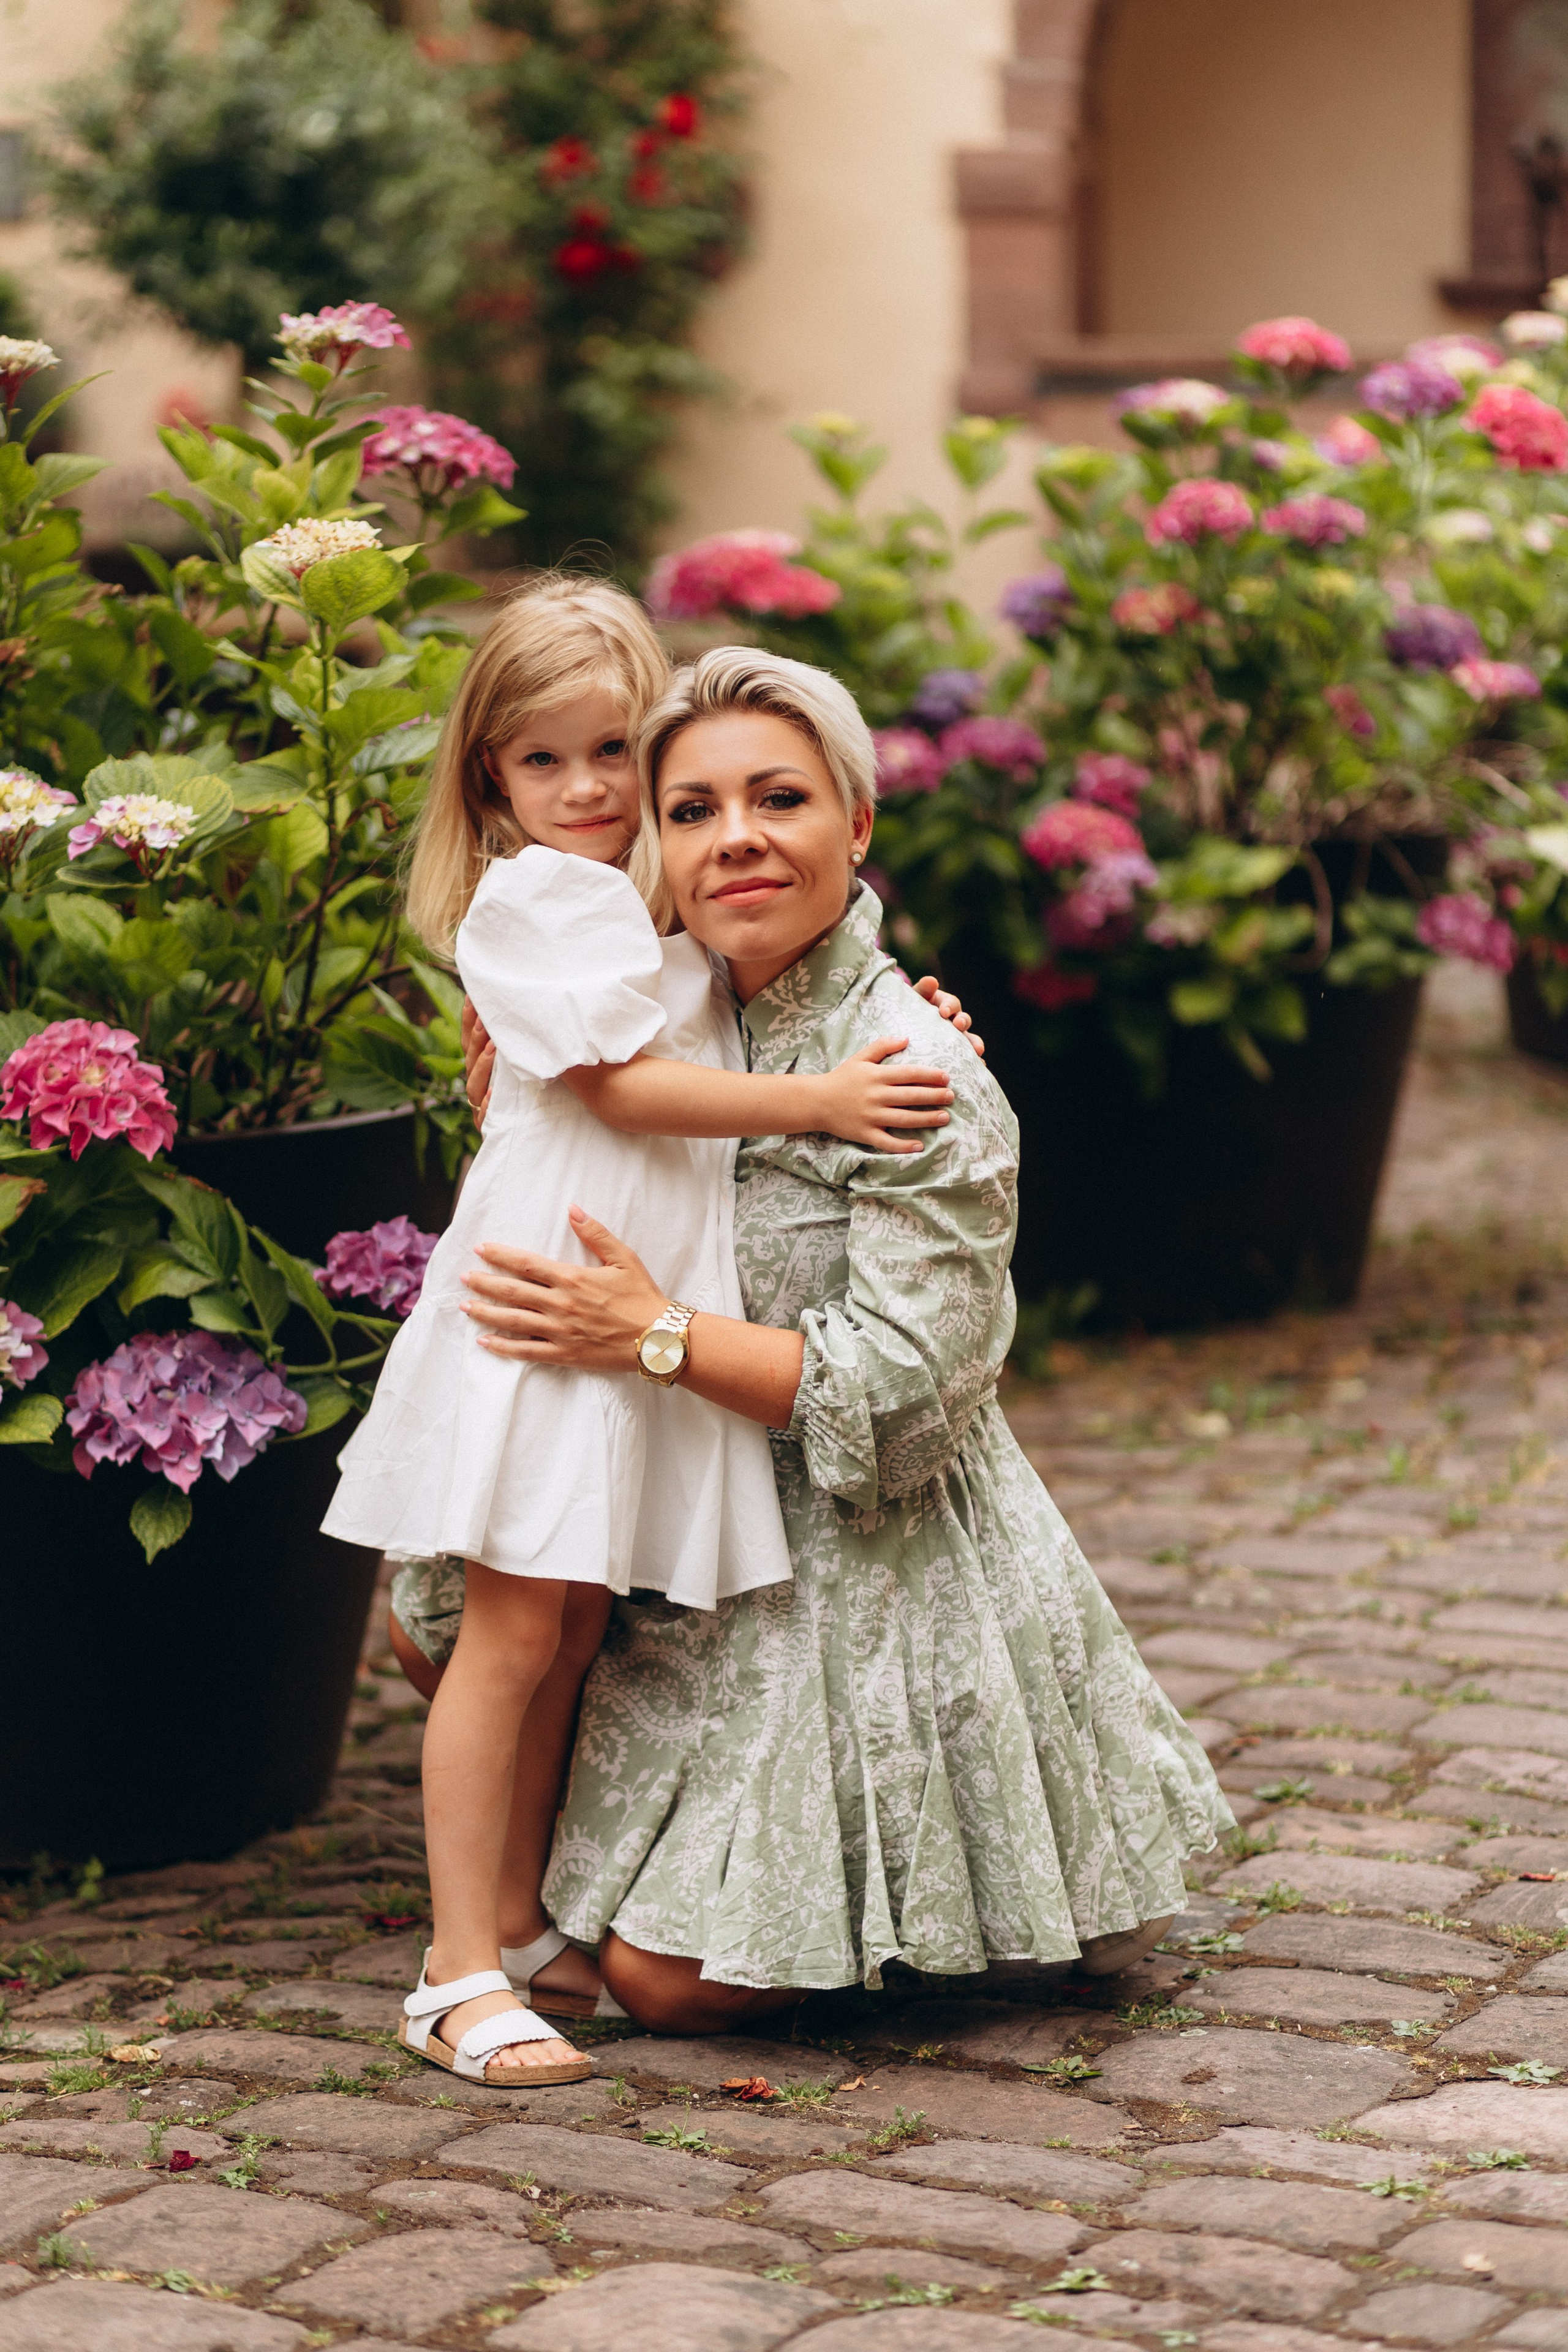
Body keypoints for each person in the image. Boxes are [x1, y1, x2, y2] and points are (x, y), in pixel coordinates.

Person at [421, 646, 1235, 2033]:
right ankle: (487, 1930)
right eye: (691, 812)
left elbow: (903, 1406)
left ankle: (953, 1873)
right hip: (664, 1498)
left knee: (666, 1986)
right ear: (655, 851)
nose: (734, 837)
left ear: (854, 825)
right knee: (437, 1615)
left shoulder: (915, 1072)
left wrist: (659, 1335)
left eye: (779, 799)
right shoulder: (655, 1011)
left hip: (855, 1526)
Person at [323, 583, 958, 2086]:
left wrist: (904, 1017)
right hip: (553, 1308)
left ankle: (526, 1923)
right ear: (490, 779)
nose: (590, 789)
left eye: (615, 752)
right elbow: (615, 1087)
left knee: (579, 1627)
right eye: (542, 763)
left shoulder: (647, 895)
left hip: (630, 1315)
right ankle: (453, 1968)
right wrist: (823, 1101)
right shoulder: (534, 902)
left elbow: (756, 984)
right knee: (516, 1630)